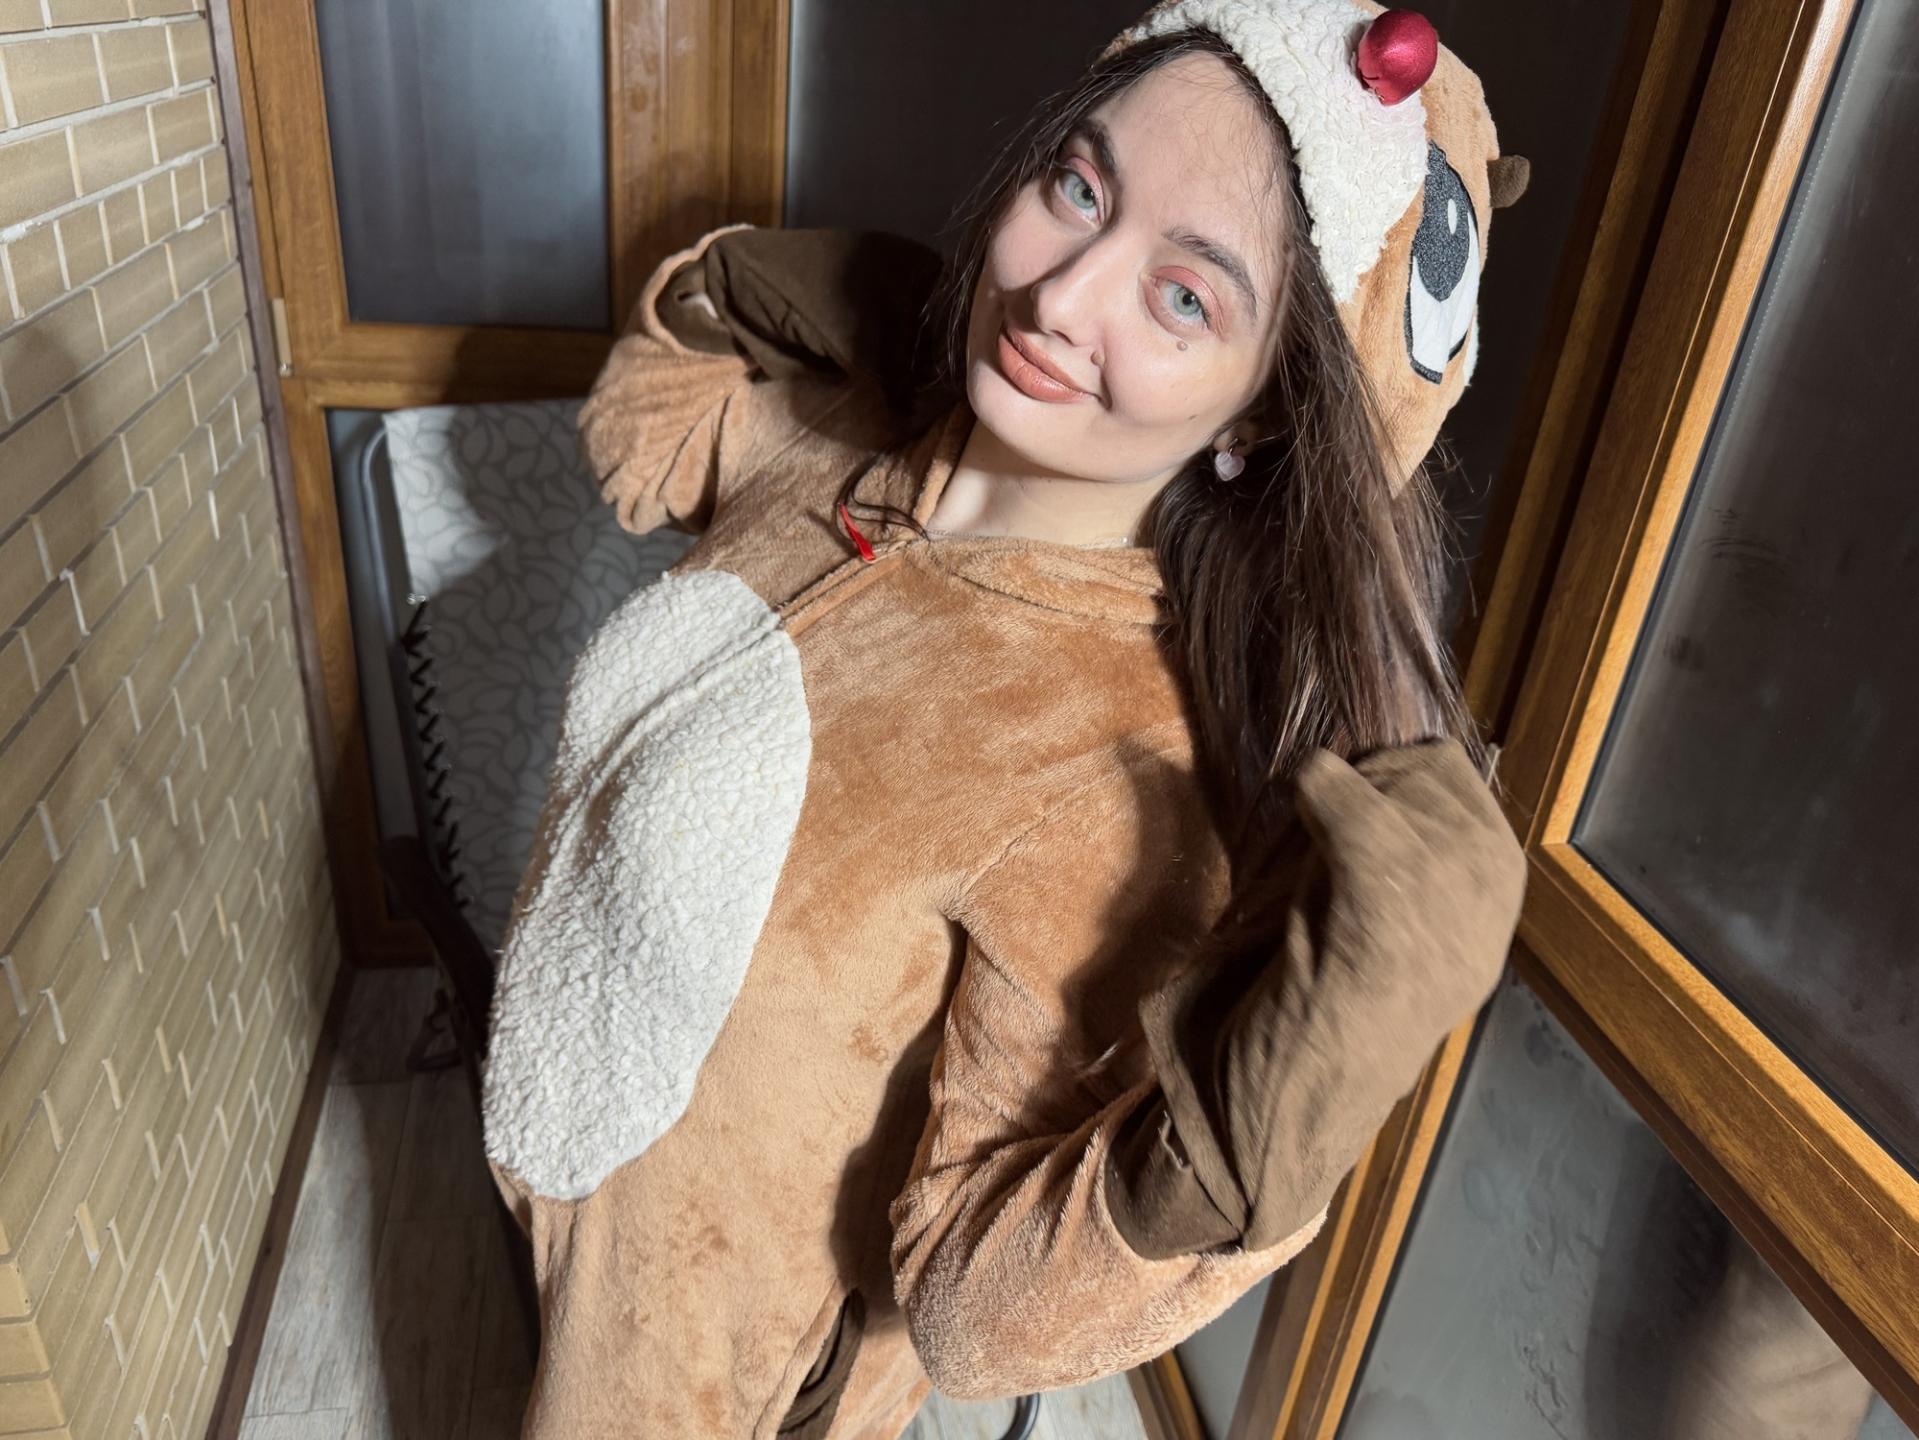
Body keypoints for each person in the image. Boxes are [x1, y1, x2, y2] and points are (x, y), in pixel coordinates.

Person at [479, 2, 1533, 1435]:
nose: (1060, 296)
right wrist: (748, 290)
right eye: (1079, 189)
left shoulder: (1120, 770)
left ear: (1259, 415)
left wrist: (1228, 1158)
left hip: (689, 1383)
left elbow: (971, 1313)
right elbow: (643, 442)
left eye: (1184, 299)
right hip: (555, 1178)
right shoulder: (844, 446)